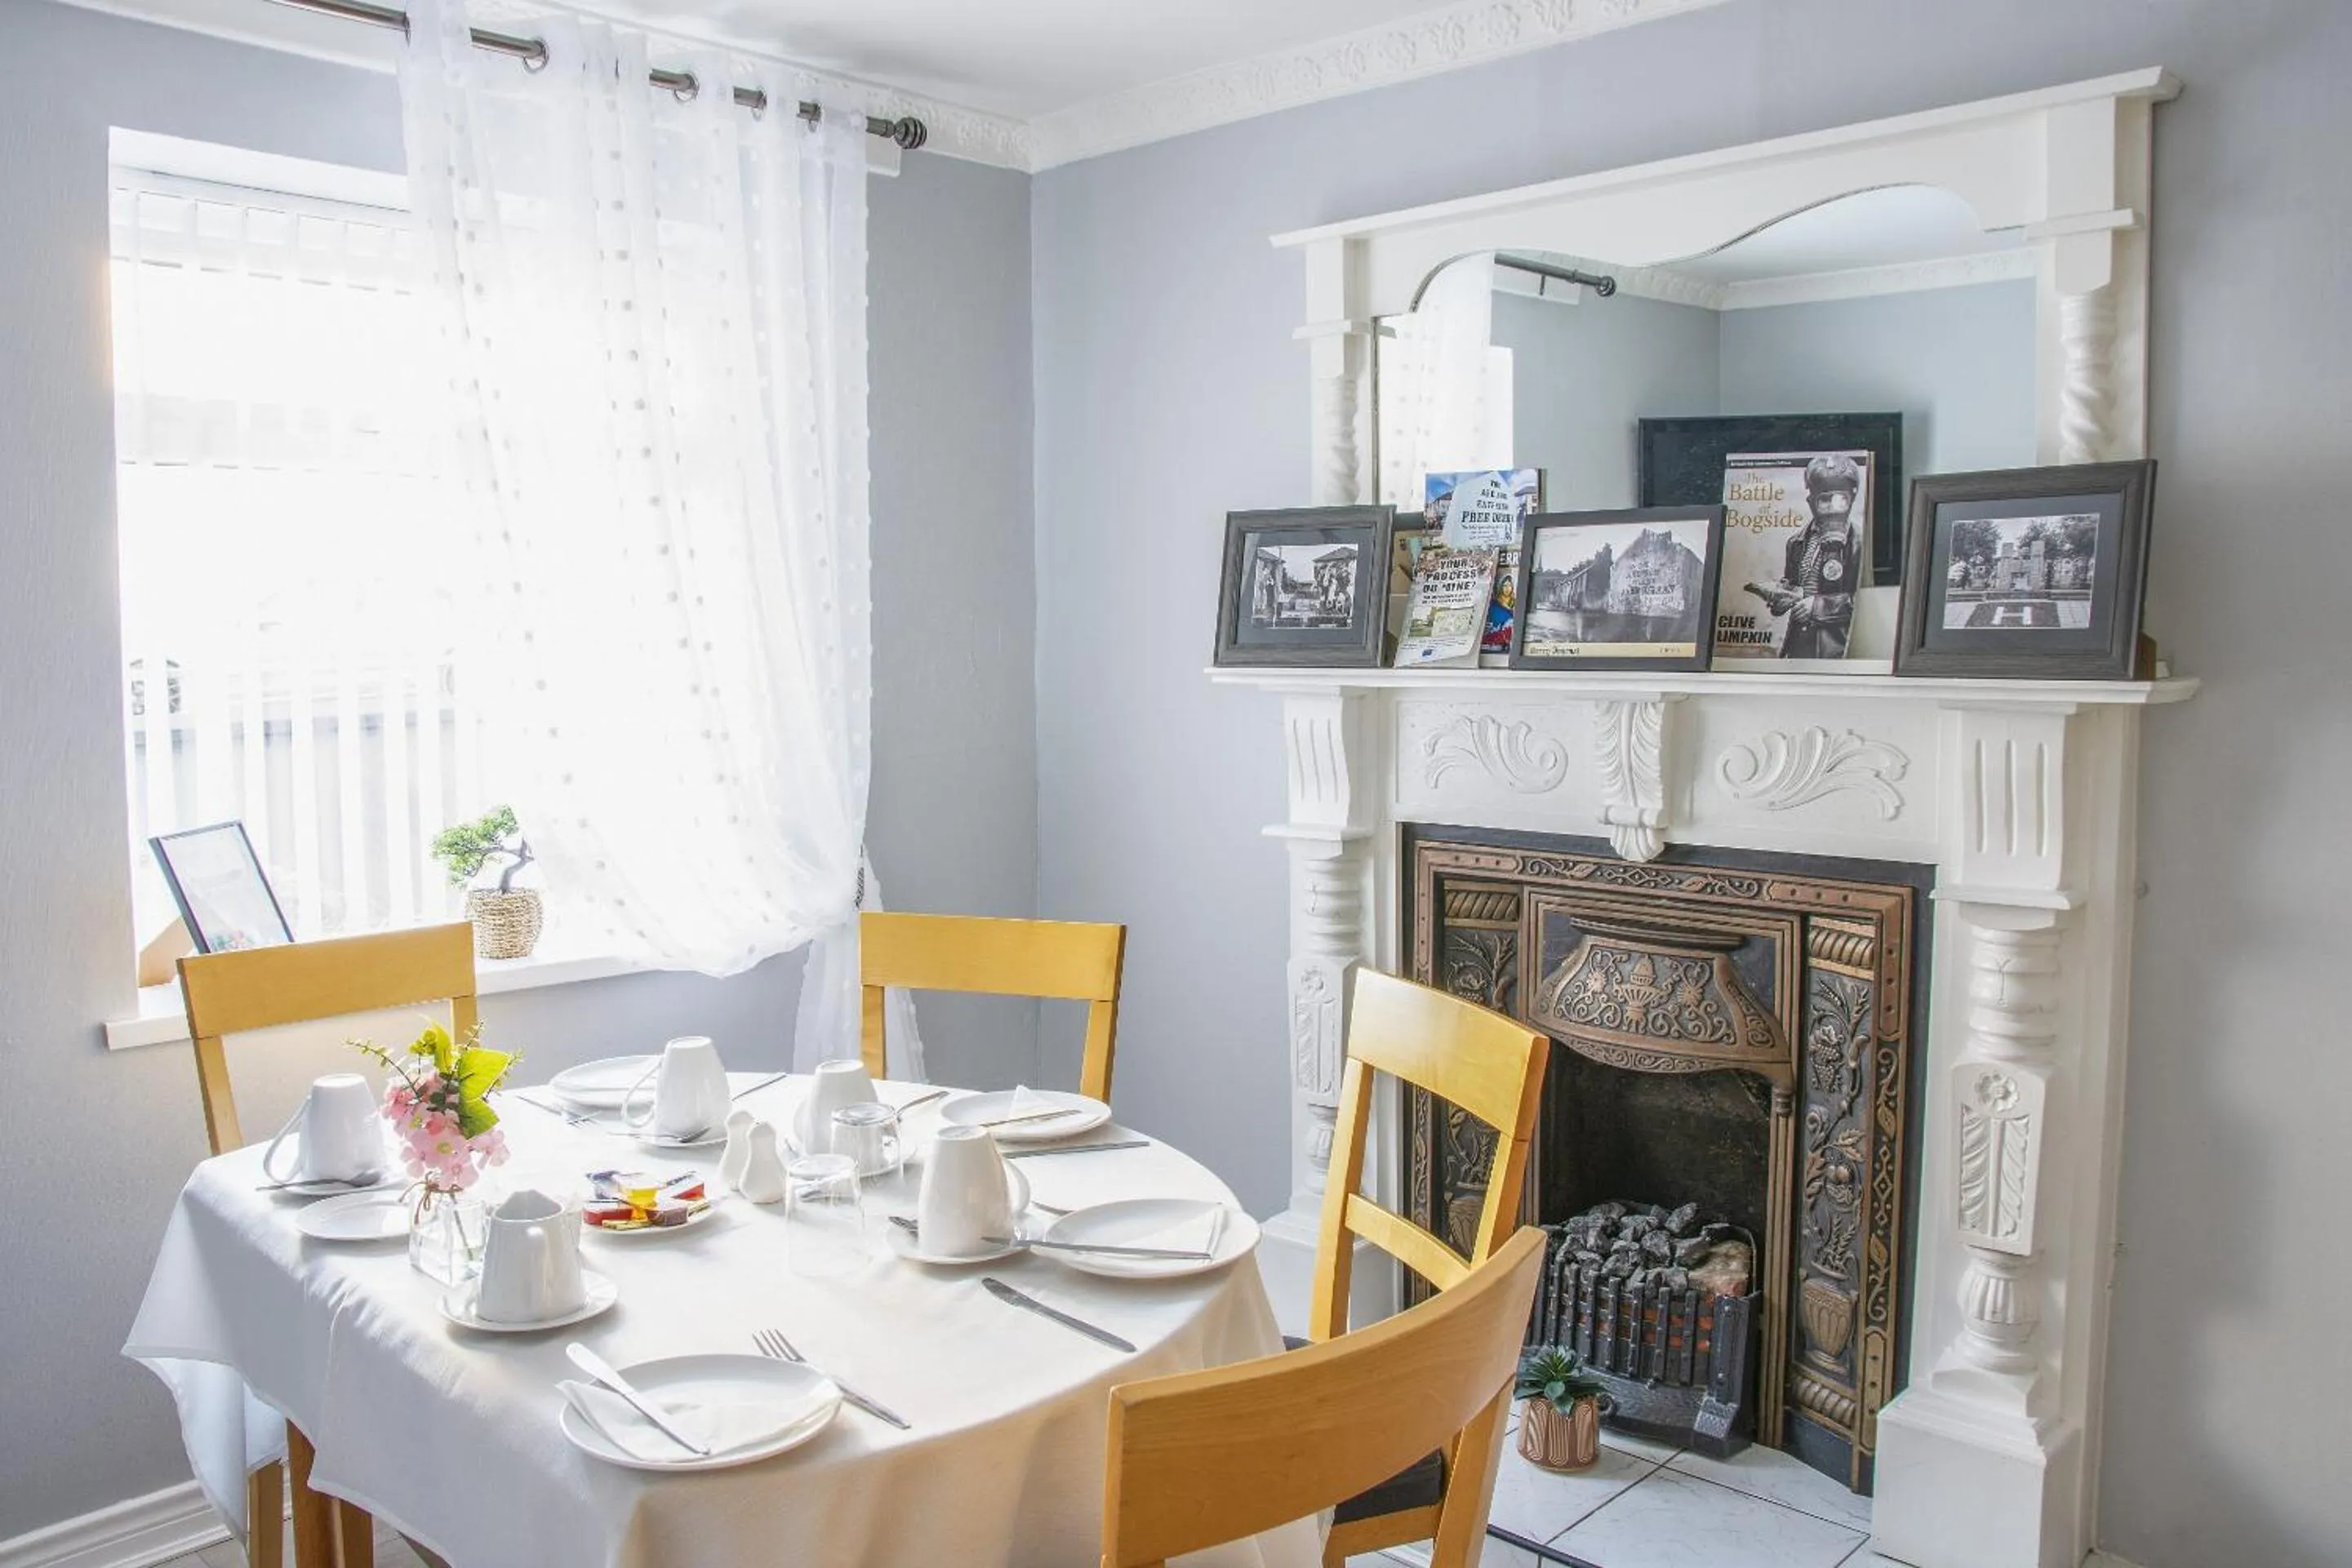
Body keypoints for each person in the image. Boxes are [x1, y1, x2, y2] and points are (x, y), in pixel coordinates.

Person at [1748, 453, 1861, 659]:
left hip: (1837, 650)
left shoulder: (1860, 543)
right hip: (1799, 646)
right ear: (1810, 501)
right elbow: (1795, 585)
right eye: (1824, 500)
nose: (1832, 508)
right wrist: (1783, 597)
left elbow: (1865, 602)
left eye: (1841, 500)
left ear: (1852, 498)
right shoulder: (1796, 543)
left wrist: (1818, 607)